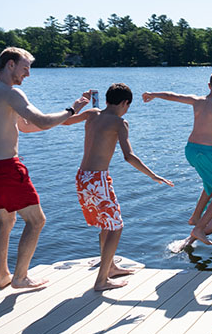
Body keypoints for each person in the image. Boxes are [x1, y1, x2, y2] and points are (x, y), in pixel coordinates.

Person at [0, 47, 89, 289]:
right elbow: (40, 120)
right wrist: (70, 110)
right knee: (36, 221)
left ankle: (3, 276)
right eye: (25, 67)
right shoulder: (11, 93)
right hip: (7, 168)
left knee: (6, 222)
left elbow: (28, 127)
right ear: (10, 65)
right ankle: (20, 277)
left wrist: (71, 117)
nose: (28, 74)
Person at [63, 83, 173, 291]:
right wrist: (153, 175)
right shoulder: (120, 123)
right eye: (127, 106)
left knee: (107, 223)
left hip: (83, 177)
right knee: (116, 226)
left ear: (106, 99)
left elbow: (65, 121)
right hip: (98, 179)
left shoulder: (92, 114)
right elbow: (128, 156)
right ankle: (102, 280)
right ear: (124, 103)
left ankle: (110, 267)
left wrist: (78, 104)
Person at [142, 71, 212, 246]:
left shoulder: (197, 100)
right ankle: (199, 228)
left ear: (209, 86)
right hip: (206, 152)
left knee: (211, 184)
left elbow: (173, 96)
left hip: (190, 150)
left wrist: (153, 95)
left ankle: (195, 217)